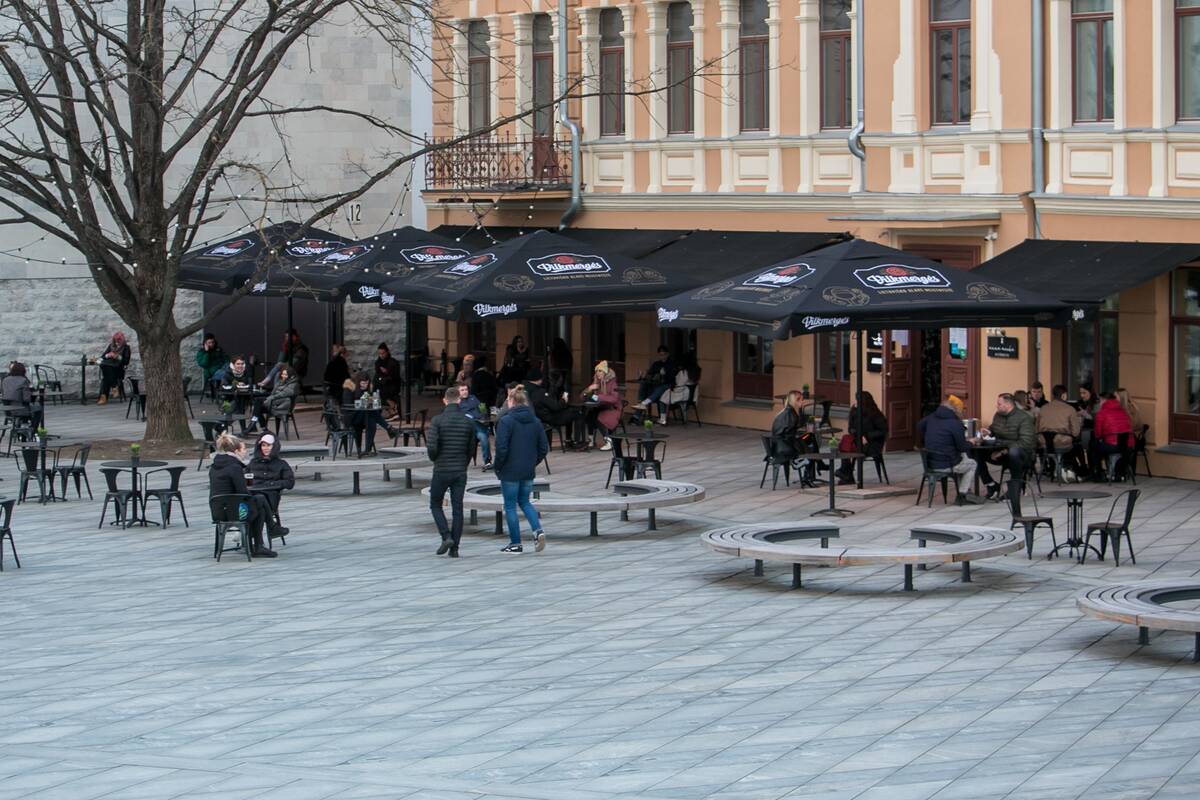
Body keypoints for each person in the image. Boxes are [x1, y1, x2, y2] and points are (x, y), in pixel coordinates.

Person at [493, 388, 549, 554]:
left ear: (511, 402)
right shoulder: (536, 421)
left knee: (510, 506)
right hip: (527, 469)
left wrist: (498, 466)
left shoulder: (506, 421)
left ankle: (515, 543)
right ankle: (537, 530)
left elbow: (501, 448)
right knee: (525, 502)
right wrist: (533, 462)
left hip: (510, 470)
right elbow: (543, 447)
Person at [426, 385, 476, 557]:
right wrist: (464, 464)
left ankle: (446, 536)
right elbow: (471, 448)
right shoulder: (468, 421)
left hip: (442, 468)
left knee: (435, 504)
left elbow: (432, 447)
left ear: (444, 401)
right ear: (459, 400)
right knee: (458, 509)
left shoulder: (437, 421)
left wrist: (435, 459)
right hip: (460, 469)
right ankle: (455, 549)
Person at [208, 433, 276, 557]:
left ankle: (263, 539)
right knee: (259, 502)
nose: (245, 452)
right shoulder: (234, 467)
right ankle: (264, 539)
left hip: (218, 511)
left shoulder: (214, 467)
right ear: (236, 451)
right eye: (243, 449)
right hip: (234, 513)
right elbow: (242, 493)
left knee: (258, 502)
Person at [916, 395, 980, 504]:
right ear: (957, 410)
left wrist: (930, 436)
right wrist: (971, 442)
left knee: (963, 457)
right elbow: (962, 447)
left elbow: (919, 426)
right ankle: (962, 494)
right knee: (972, 464)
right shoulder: (955, 423)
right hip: (947, 464)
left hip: (930, 464)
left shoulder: (932, 417)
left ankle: (965, 491)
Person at [975, 392, 1037, 499]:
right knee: (974, 450)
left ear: (1008, 405)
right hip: (998, 449)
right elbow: (994, 428)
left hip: (1022, 454)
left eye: (999, 404)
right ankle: (991, 485)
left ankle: (1014, 490)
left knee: (1014, 452)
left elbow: (1026, 442)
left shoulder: (1024, 418)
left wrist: (1003, 451)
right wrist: (989, 432)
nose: (996, 406)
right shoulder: (998, 415)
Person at [247, 432, 294, 542]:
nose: (265, 448)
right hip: (254, 495)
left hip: (270, 497)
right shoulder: (253, 463)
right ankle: (271, 527)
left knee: (260, 502)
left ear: (274, 446)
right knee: (256, 503)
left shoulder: (281, 464)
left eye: (268, 445)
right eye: (263, 445)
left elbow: (290, 483)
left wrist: (272, 484)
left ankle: (249, 535)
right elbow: (246, 478)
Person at [836, 391, 888, 485]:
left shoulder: (875, 414)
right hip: (857, 440)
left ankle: (846, 474)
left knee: (847, 445)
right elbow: (850, 429)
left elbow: (883, 430)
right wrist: (854, 414)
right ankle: (846, 474)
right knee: (846, 440)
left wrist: (867, 436)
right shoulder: (855, 412)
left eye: (857, 401)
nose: (855, 403)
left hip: (872, 443)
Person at [341, 372, 398, 454]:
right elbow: (348, 405)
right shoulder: (349, 388)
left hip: (364, 416)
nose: (365, 385)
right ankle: (388, 427)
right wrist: (361, 402)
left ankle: (367, 450)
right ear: (358, 382)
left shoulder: (367, 389)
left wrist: (371, 401)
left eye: (367, 383)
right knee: (370, 412)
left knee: (371, 419)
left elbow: (371, 403)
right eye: (363, 383)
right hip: (351, 417)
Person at [525, 368, 584, 445]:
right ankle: (577, 442)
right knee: (578, 413)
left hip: (536, 417)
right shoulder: (539, 392)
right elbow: (556, 407)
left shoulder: (523, 390)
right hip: (549, 418)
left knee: (570, 412)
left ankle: (568, 439)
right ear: (538, 379)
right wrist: (564, 400)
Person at [1037, 384, 1084, 481]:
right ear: (1063, 395)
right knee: (1076, 446)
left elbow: (1036, 429)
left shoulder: (1043, 408)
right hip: (1063, 443)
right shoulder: (1070, 409)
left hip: (1045, 443)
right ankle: (1074, 470)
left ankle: (1056, 469)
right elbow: (1076, 432)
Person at [771, 390, 815, 484]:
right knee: (810, 439)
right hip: (785, 447)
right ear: (796, 400)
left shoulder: (786, 411)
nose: (803, 401)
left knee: (809, 439)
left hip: (778, 445)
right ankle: (806, 467)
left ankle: (811, 466)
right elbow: (795, 428)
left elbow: (792, 428)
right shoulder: (790, 413)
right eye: (801, 400)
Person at [1090, 392, 1134, 480]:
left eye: (1100, 400)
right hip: (1127, 446)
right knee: (1100, 446)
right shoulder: (1123, 411)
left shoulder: (1102, 413)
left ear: (1104, 400)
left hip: (1113, 446)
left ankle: (1098, 473)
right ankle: (1118, 473)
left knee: (1093, 446)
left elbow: (1098, 434)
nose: (1099, 403)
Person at [247, 365, 298, 433]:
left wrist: (271, 397)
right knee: (257, 406)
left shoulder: (293, 384)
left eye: (285, 375)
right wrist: (270, 396)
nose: (283, 376)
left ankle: (255, 425)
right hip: (275, 403)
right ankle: (260, 427)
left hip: (282, 407)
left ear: (292, 376)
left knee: (258, 404)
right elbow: (273, 393)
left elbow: (285, 393)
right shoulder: (281, 381)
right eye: (282, 374)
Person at [583, 361, 621, 451]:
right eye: (596, 371)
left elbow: (614, 398)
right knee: (589, 416)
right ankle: (591, 440)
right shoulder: (596, 382)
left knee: (599, 418)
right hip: (600, 407)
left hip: (612, 409)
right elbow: (582, 396)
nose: (597, 373)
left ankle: (609, 441)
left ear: (605, 372)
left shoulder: (612, 383)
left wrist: (598, 397)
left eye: (600, 371)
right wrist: (589, 389)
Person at [633, 346, 676, 425]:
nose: (662, 356)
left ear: (667, 354)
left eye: (664, 354)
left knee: (659, 389)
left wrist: (664, 374)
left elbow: (672, 378)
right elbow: (649, 374)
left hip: (666, 386)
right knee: (643, 384)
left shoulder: (671, 364)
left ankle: (643, 404)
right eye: (660, 355)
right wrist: (642, 377)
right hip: (655, 386)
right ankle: (637, 413)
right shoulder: (656, 364)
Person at [457, 382, 492, 469]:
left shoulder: (473, 397)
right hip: (468, 428)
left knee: (483, 437)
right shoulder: (457, 402)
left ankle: (487, 462)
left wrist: (484, 415)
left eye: (466, 389)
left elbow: (482, 407)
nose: (465, 391)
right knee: (473, 422)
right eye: (462, 390)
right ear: (458, 392)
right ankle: (486, 430)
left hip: (479, 424)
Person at [1, 361, 43, 430]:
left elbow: (3, 394)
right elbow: (26, 399)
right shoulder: (23, 380)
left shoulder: (5, 380)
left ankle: (23, 425)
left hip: (8, 410)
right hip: (20, 409)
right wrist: (32, 394)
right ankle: (32, 430)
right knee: (39, 409)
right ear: (23, 371)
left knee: (31, 407)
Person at [97, 331, 131, 404]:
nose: (117, 342)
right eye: (116, 340)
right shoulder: (111, 346)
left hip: (118, 370)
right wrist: (108, 355)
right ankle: (114, 386)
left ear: (122, 340)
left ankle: (103, 398)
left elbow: (126, 361)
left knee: (105, 377)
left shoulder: (126, 348)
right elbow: (102, 357)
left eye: (119, 340)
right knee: (104, 368)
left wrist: (117, 357)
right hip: (109, 368)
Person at [373, 342, 402, 415]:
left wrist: (387, 372)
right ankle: (390, 408)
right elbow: (378, 375)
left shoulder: (393, 362)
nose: (381, 355)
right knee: (375, 391)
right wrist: (381, 378)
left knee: (381, 391)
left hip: (392, 385)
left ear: (387, 352)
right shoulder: (378, 362)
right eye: (379, 353)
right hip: (382, 384)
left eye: (383, 353)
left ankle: (392, 408)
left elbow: (395, 377)